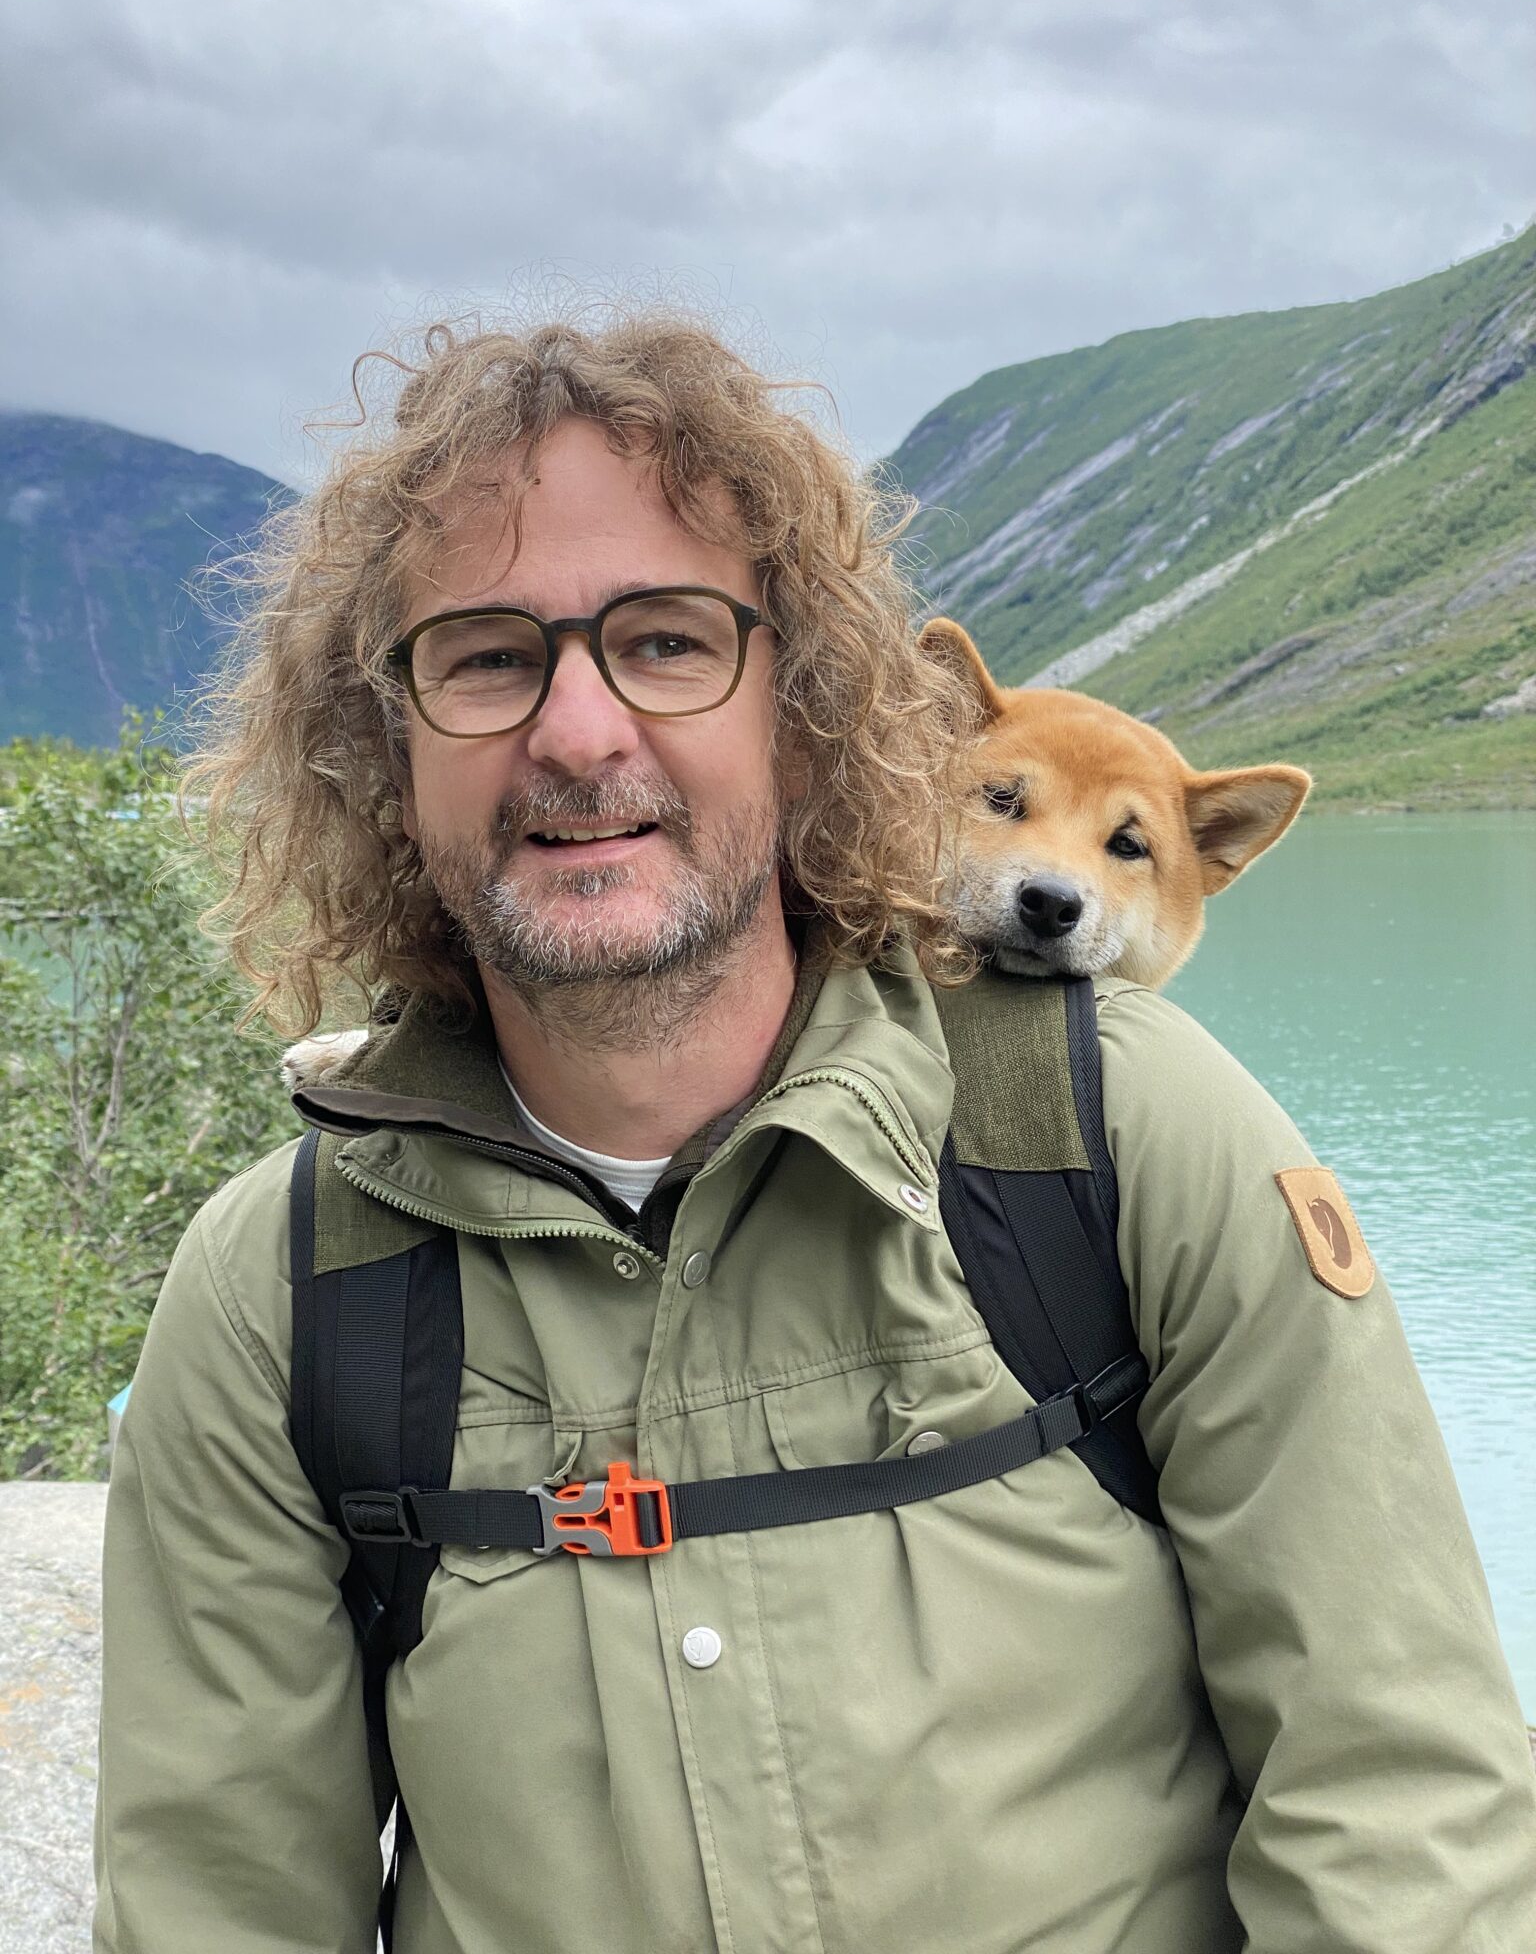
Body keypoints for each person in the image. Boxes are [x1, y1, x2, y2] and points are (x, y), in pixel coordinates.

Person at [93, 313, 1536, 1954]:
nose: (579, 732)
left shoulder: (1135, 1134)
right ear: (385, 746)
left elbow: (1402, 1811)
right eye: (484, 657)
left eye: (668, 641)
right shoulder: (275, 1300)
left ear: (811, 707)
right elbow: (215, 1911)